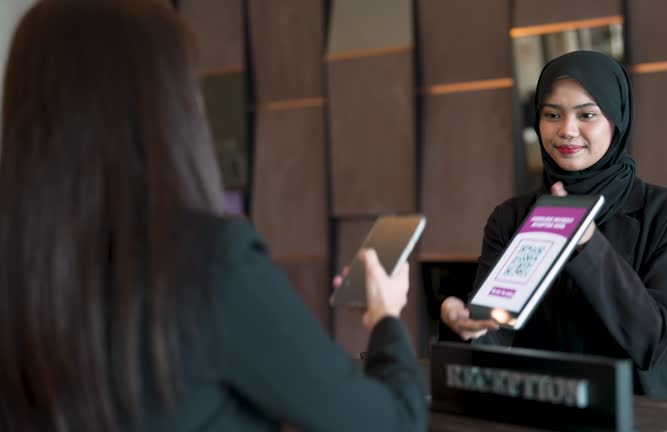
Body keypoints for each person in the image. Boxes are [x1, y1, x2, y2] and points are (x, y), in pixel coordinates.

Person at [0, 1, 426, 431]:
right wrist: (386, 320)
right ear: (164, 108)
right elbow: (395, 422)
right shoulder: (212, 264)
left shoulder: (22, 277)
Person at [440, 50, 667, 401]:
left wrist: (588, 243)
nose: (567, 130)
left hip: (646, 411)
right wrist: (465, 326)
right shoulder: (511, 218)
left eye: (587, 115)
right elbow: (495, 335)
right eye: (552, 115)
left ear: (617, 119)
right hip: (547, 405)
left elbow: (653, 343)